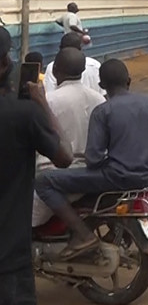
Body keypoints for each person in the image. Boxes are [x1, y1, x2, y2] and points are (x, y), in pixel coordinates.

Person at [36, 59, 148, 260]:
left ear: (102, 85)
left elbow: (94, 158)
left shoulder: (103, 111)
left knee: (43, 181)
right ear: (129, 81)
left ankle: (83, 235)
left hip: (116, 177)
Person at [0, 27, 72, 305]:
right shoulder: (23, 115)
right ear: (5, 64)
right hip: (8, 262)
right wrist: (41, 104)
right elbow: (65, 156)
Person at [31, 48, 106, 226]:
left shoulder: (48, 101)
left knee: (18, 218)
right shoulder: (99, 100)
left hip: (54, 177)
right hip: (88, 175)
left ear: (55, 70)